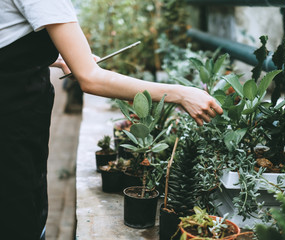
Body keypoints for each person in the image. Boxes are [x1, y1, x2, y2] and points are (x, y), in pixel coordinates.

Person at [0, 0, 223, 239]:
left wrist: (56, 59)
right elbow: (91, 79)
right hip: (12, 132)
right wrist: (180, 93)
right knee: (18, 220)